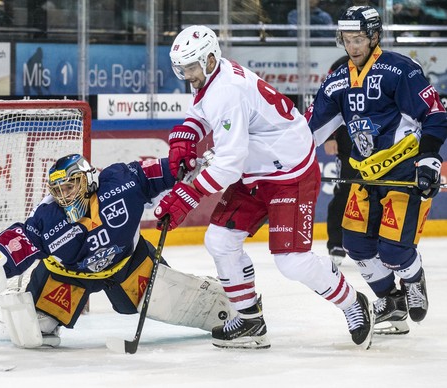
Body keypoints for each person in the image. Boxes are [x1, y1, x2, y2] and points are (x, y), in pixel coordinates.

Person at [154, 25, 374, 350]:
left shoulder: (226, 89)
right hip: (257, 171)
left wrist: (186, 197)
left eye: (191, 67)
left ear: (210, 58)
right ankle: (249, 319)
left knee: (292, 261)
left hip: (289, 174)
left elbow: (229, 161)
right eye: (183, 68)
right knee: (219, 239)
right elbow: (202, 112)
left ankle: (353, 303)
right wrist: (185, 138)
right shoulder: (214, 75)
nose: (187, 75)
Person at [0, 154, 237, 348]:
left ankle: (229, 301)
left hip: (127, 265)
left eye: (70, 186)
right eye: (58, 190)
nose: (64, 195)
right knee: (34, 331)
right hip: (67, 277)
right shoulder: (47, 218)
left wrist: (193, 164)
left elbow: (161, 170)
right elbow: (16, 244)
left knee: (203, 308)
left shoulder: (121, 182)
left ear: (88, 179)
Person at [305, 6, 446, 335]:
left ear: (374, 36)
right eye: (346, 39)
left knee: (394, 250)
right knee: (357, 246)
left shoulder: (400, 69)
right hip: (364, 177)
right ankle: (391, 302)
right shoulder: (338, 80)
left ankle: (412, 278)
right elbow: (307, 130)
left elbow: (435, 115)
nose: (352, 46)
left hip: (403, 172)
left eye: (358, 39)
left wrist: (429, 159)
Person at [323, 55, 356, 266]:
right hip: (346, 138)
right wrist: (328, 136)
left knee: (377, 192)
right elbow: (326, 100)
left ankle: (378, 243)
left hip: (379, 140)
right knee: (345, 190)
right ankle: (336, 242)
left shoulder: (384, 63)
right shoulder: (339, 65)